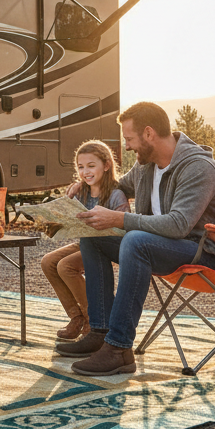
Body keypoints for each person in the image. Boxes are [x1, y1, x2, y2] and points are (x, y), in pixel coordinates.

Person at [56, 102, 215, 376]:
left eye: (129, 139)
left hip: (207, 252)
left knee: (135, 240)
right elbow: (116, 184)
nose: (127, 147)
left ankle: (119, 348)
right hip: (165, 248)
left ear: (149, 134)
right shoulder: (147, 167)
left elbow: (179, 225)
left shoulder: (198, 167)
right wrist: (84, 183)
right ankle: (101, 330)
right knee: (93, 238)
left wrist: (120, 220)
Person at [41, 140, 129, 340]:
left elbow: (124, 228)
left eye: (91, 166)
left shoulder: (116, 195)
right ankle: (76, 317)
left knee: (66, 266)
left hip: (105, 245)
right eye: (80, 167)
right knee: (48, 262)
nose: (85, 172)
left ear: (106, 166)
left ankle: (93, 319)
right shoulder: (81, 192)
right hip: (83, 243)